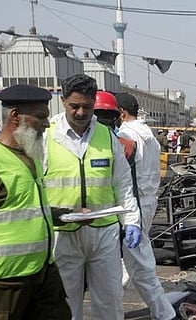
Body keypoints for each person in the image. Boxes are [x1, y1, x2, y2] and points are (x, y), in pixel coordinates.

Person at [0, 84, 71, 319]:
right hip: (2, 285)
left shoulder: (31, 156)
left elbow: (23, 209)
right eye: (41, 117)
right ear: (15, 117)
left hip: (43, 275)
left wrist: (64, 215)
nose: (47, 124)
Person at [43, 75, 142, 320]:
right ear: (63, 100)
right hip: (63, 234)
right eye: (74, 106)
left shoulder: (106, 137)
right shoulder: (47, 137)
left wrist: (132, 222)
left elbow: (122, 183)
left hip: (103, 234)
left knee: (110, 302)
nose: (80, 112)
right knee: (64, 304)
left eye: (87, 106)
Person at [116, 92, 176, 320]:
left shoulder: (125, 135)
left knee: (136, 260)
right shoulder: (148, 134)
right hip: (148, 199)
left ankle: (163, 312)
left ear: (121, 112)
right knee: (130, 259)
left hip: (133, 203)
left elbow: (122, 173)